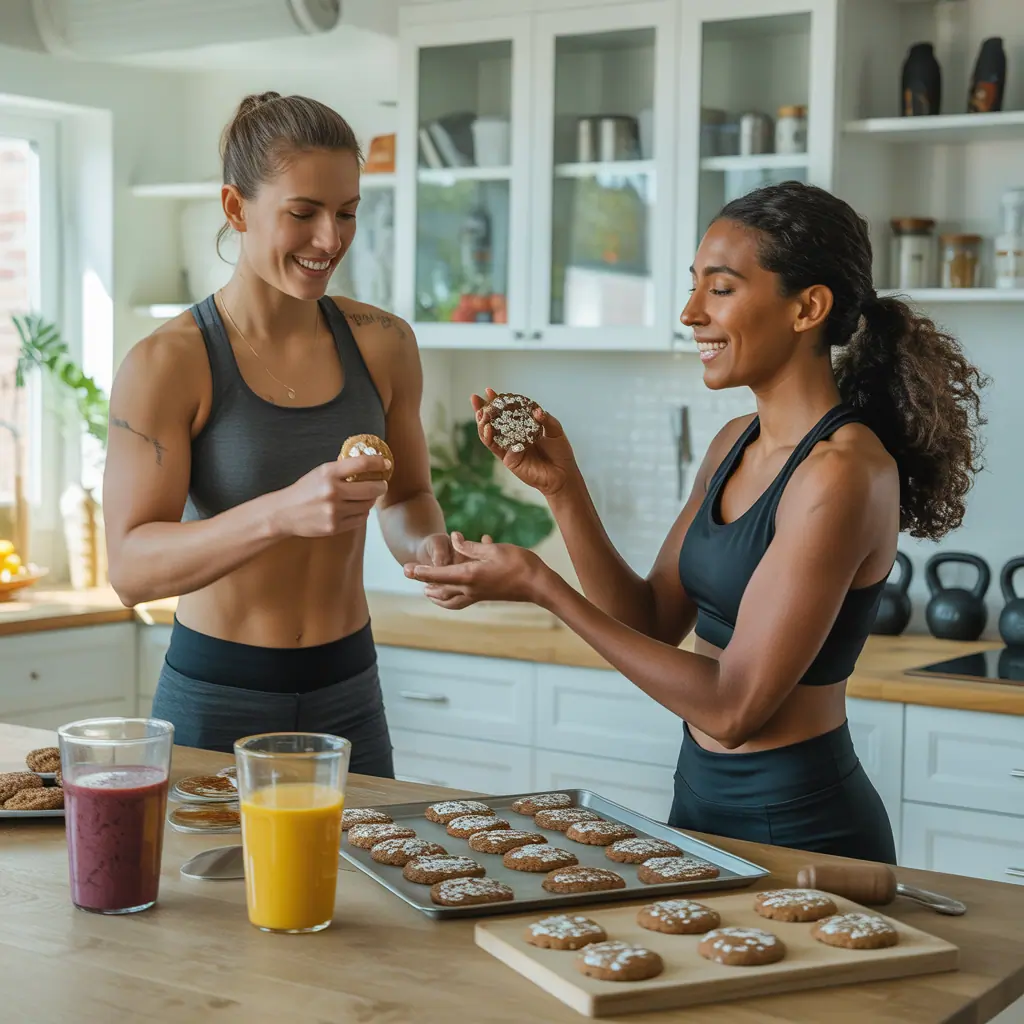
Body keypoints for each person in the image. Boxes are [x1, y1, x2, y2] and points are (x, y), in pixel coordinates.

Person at [404, 181, 986, 862]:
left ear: (808, 308)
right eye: (695, 286)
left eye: (720, 288)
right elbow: (649, 620)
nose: (690, 312)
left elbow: (733, 709)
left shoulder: (844, 472)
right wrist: (564, 490)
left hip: (803, 826)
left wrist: (542, 586)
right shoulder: (735, 441)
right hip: (696, 803)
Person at [104, 92, 455, 773]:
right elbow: (129, 570)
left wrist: (429, 548)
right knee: (202, 886)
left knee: (357, 881)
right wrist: (281, 513)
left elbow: (407, 496)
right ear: (236, 208)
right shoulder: (168, 363)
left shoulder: (384, 344)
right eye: (303, 213)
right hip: (216, 695)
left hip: (349, 688)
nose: (331, 240)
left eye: (347, 212)